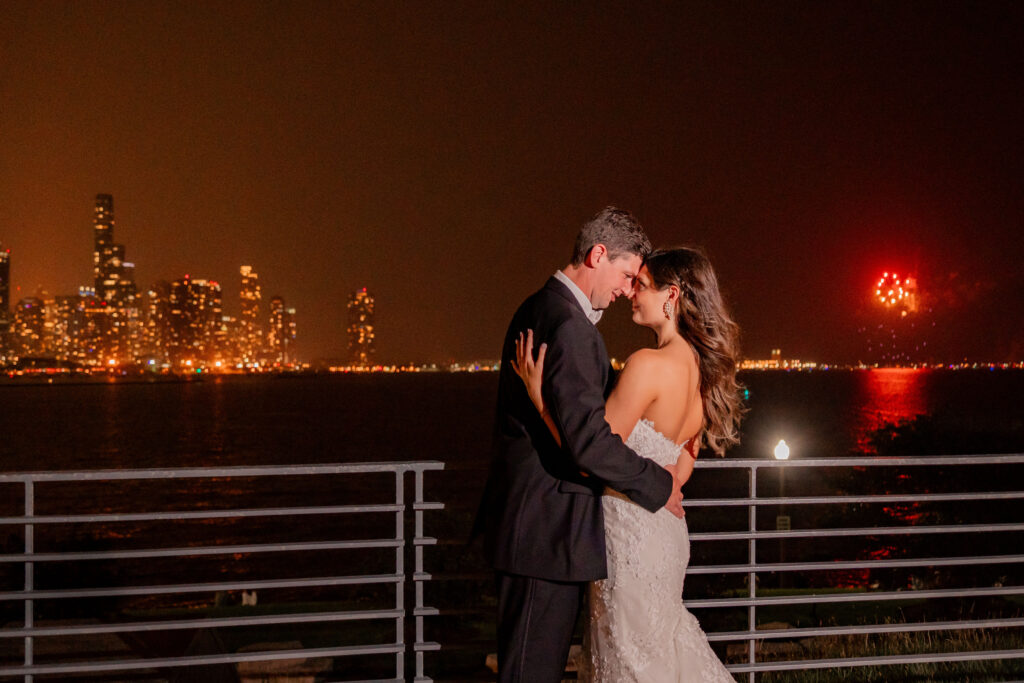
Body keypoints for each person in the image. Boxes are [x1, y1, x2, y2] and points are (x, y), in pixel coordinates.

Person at [513, 246, 744, 682]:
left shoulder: (646, 364)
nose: (631, 294)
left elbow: (591, 455)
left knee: (631, 662)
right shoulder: (700, 372)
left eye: (642, 286)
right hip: (667, 536)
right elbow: (680, 473)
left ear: (671, 296)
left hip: (629, 539)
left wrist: (542, 401)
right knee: (658, 654)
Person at [474, 207, 685, 683]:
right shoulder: (571, 326)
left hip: (535, 529)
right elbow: (589, 441)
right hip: (545, 534)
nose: (628, 289)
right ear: (598, 254)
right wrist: (659, 482)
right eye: (628, 274)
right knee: (531, 673)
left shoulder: (537, 307)